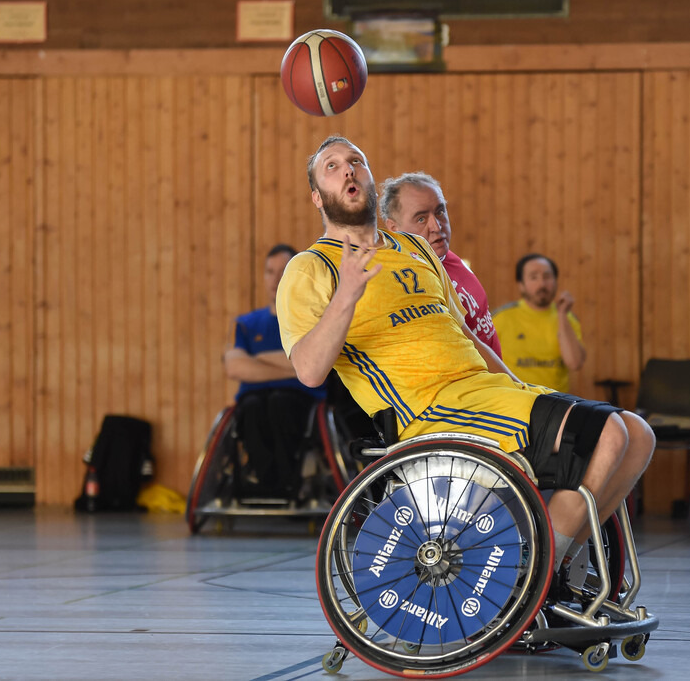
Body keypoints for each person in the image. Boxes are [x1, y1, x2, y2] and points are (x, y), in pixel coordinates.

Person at [275, 136, 654, 596]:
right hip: (429, 409)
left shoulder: (415, 250)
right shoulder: (310, 268)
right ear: (318, 197)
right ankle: (541, 571)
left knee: (638, 435)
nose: (348, 169)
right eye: (332, 167)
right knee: (608, 433)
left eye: (356, 161)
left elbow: (467, 335)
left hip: (485, 392)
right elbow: (310, 370)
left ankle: (556, 560)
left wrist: (520, 390)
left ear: (371, 179)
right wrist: (347, 296)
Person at [223, 243, 325, 499]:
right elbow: (234, 366)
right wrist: (296, 367)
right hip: (255, 400)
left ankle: (289, 483)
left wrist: (257, 359)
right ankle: (264, 482)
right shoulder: (245, 324)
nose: (275, 279)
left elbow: (321, 360)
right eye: (270, 271)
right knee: (253, 406)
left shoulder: (314, 320)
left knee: (280, 402)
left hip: (300, 400)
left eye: (283, 271)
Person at [379, 171, 502, 358]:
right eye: (421, 219)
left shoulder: (446, 257)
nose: (436, 227)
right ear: (394, 228)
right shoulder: (409, 284)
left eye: (440, 212)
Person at [493, 253, 587, 393]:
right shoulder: (501, 318)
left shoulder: (567, 318)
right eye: (534, 277)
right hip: (514, 399)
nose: (542, 284)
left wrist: (562, 315)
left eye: (547, 277)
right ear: (521, 285)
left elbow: (575, 363)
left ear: (556, 281)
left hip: (557, 401)